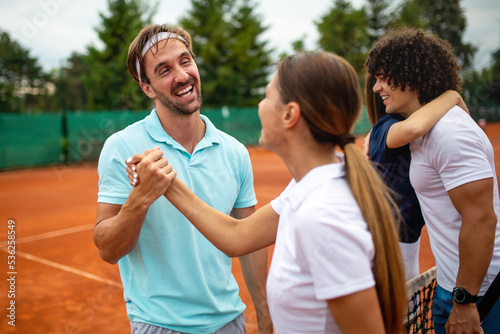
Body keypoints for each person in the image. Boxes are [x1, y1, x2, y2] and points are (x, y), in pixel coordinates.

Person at [127, 51, 407, 333]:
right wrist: (167, 182)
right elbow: (237, 236)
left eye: (267, 95)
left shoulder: (322, 215)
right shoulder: (310, 186)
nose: (260, 105)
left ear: (289, 114)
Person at [93, 24, 272, 334]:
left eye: (185, 61)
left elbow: (251, 241)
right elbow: (107, 249)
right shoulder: (122, 146)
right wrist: (141, 197)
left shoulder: (235, 151)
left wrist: (266, 315)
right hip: (159, 325)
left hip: (231, 322)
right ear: (147, 87)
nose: (181, 75)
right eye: (163, 70)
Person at [365, 27, 500, 334]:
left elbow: (480, 219)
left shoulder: (449, 133)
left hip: (480, 295)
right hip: (454, 288)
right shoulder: (419, 130)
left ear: (411, 77)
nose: (377, 87)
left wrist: (466, 300)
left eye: (384, 77)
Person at [364, 73, 468, 281]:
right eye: (377, 80)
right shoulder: (386, 127)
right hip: (386, 245)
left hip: (403, 242)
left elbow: (465, 124)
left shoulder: (412, 126)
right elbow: (413, 128)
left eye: (384, 78)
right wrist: (452, 96)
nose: (378, 87)